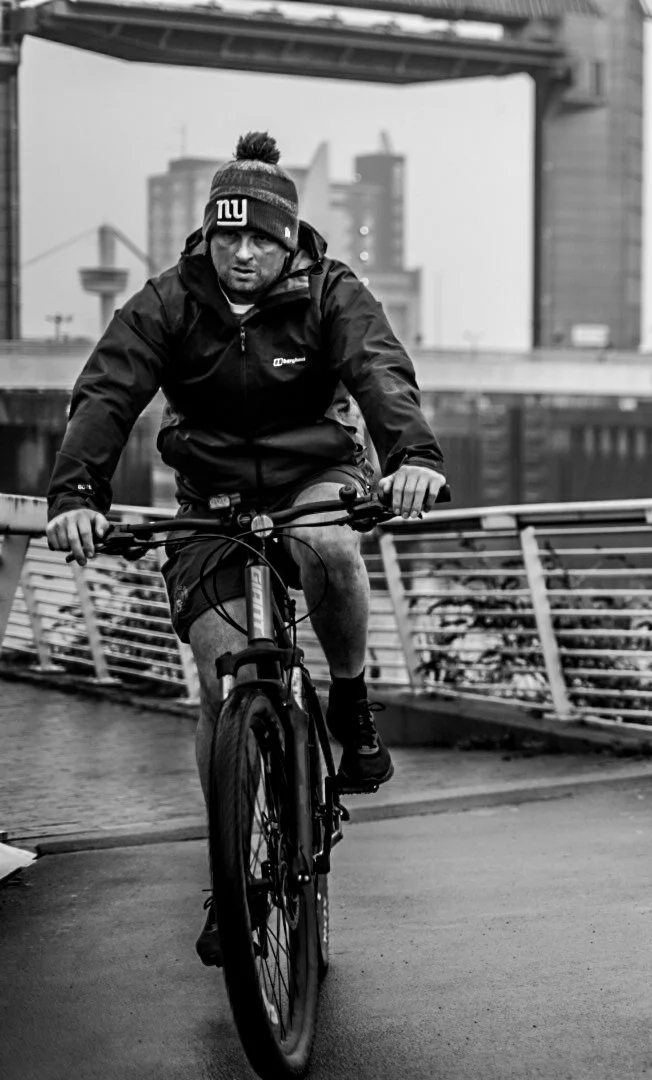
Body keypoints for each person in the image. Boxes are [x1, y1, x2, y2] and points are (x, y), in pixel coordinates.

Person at [44, 131, 447, 964]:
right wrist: (77, 492)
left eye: (260, 237)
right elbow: (109, 388)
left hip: (315, 472)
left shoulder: (333, 291)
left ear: (289, 237)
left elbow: (380, 370)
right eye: (228, 235)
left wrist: (413, 458)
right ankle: (230, 872)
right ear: (208, 236)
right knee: (220, 679)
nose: (242, 252)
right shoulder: (167, 301)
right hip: (213, 496)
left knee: (332, 546)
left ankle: (351, 698)